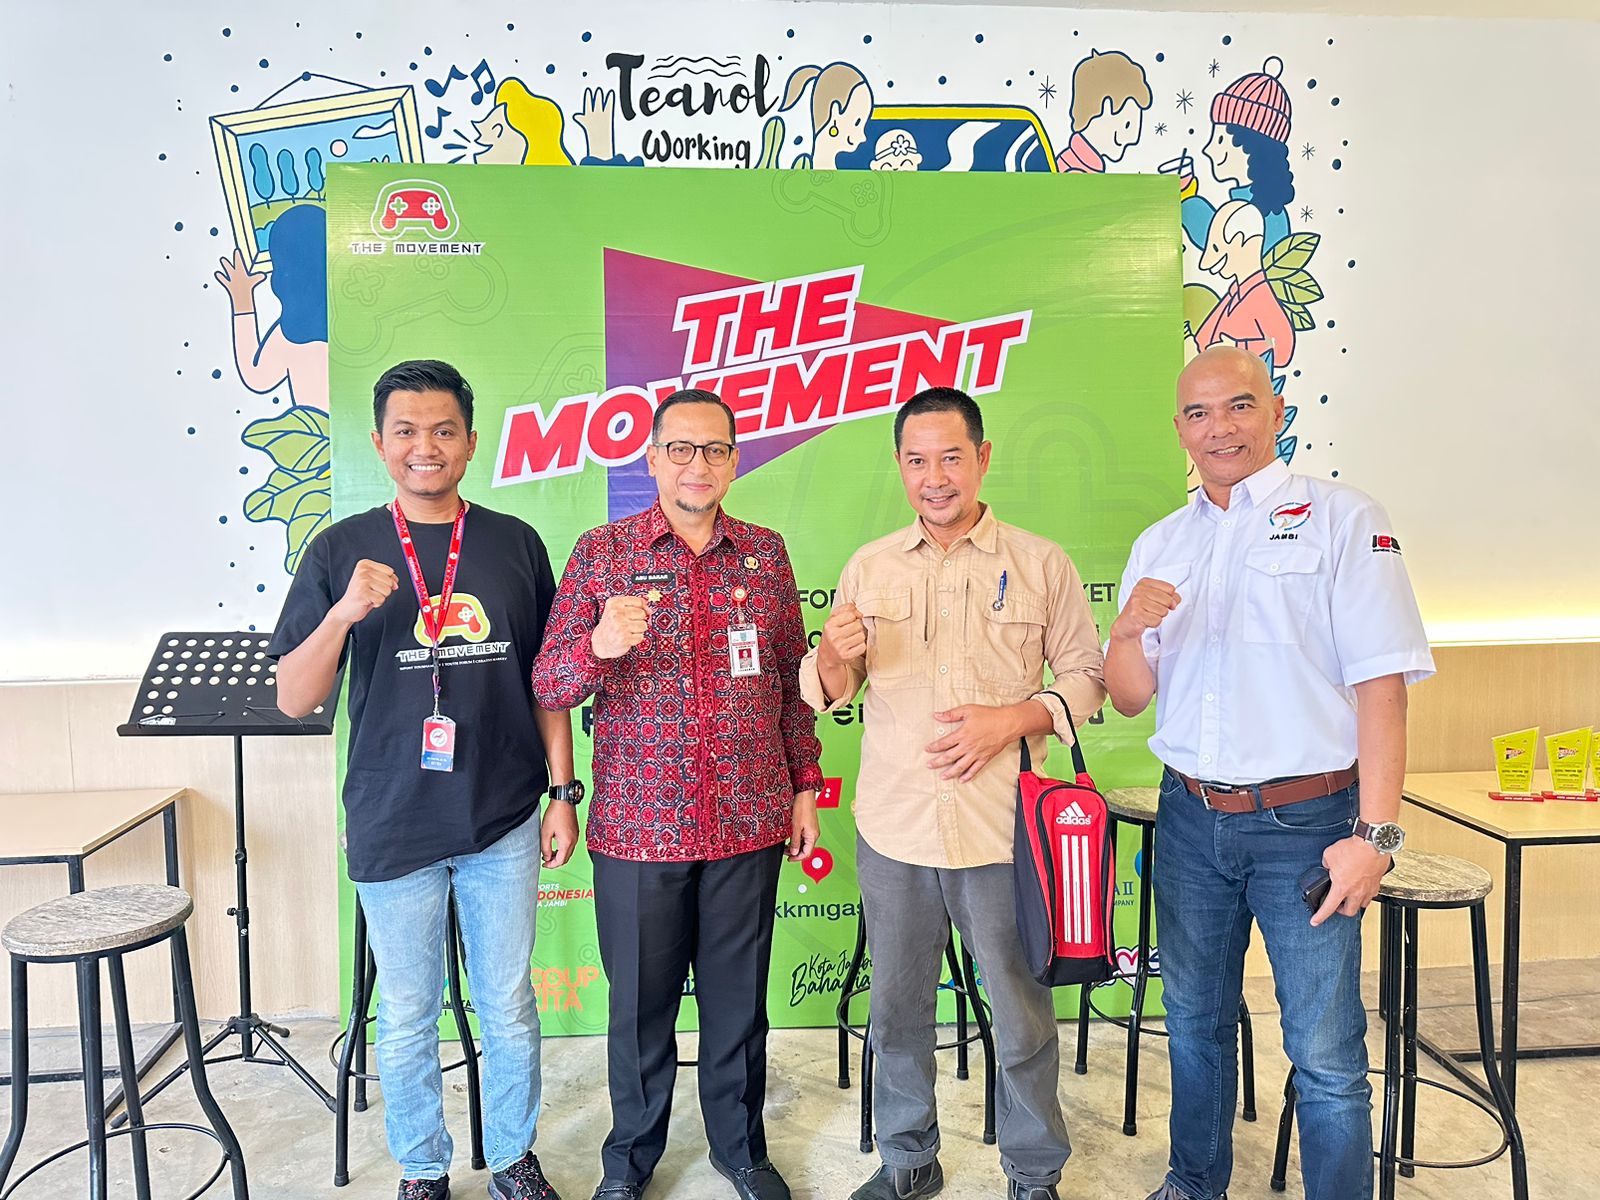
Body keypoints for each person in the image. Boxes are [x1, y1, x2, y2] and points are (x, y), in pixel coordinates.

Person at [1105, 346, 1434, 1200]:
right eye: (1199, 413)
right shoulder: (1162, 541)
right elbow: (1131, 696)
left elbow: (1383, 689)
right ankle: (1193, 1184)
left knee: (1324, 1052)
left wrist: (1376, 837)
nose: (1220, 428)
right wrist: (1125, 632)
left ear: (1276, 412)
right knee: (1193, 1023)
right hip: (1188, 820)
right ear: (1180, 430)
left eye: (1239, 406)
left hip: (1308, 826)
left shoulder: (1343, 520)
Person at [272, 358, 579, 1200]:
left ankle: (513, 1156)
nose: (425, 447)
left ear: (471, 443)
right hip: (393, 815)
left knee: (507, 1001)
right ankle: (422, 1167)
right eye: (406, 431)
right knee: (408, 1011)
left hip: (501, 813)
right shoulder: (340, 549)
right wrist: (343, 614)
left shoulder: (515, 543)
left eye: (444, 430)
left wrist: (562, 794)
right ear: (379, 443)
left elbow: (548, 681)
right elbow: (295, 697)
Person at [800, 387, 1107, 1200]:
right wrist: (831, 654)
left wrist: (1012, 720)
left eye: (950, 457)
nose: (934, 477)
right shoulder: (870, 566)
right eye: (916, 461)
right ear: (900, 467)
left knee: (1021, 1016)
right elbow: (829, 689)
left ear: (982, 458)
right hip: (895, 829)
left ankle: (1033, 1174)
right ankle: (908, 1162)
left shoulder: (1040, 563)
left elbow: (1087, 678)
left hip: (1002, 834)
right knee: (899, 1012)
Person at [532, 389, 822, 1200]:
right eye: (682, 449)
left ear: (734, 460)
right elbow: (549, 682)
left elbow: (791, 684)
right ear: (653, 458)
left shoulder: (765, 555)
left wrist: (805, 785)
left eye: (716, 449)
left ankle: (741, 1151)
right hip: (638, 829)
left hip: (748, 822)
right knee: (638, 1012)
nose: (699, 464)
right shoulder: (603, 552)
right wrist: (598, 644)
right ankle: (628, 1162)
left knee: (739, 1008)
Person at [1056, 49, 1152, 174]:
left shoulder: (1086, 165)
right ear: (1105, 106)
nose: (1133, 138)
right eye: (1127, 125)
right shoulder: (1075, 171)